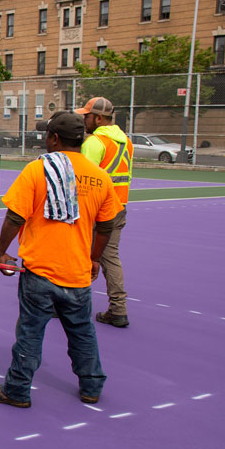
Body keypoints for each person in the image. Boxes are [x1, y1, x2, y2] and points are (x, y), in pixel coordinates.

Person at [0, 111, 122, 408]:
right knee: (83, 333)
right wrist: (95, 258)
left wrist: (1, 250)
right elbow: (107, 225)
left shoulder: (38, 170)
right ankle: (91, 386)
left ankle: (17, 389)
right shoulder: (100, 177)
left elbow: (15, 216)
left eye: (48, 135)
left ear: (54, 138)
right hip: (77, 272)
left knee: (30, 334)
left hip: (40, 271)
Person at [76, 96, 133, 328]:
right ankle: (118, 309)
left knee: (76, 253)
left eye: (87, 116)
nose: (84, 119)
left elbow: (83, 180)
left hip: (95, 208)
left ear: (98, 118)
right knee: (110, 258)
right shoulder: (125, 141)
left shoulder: (94, 142)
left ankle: (68, 304)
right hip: (118, 206)